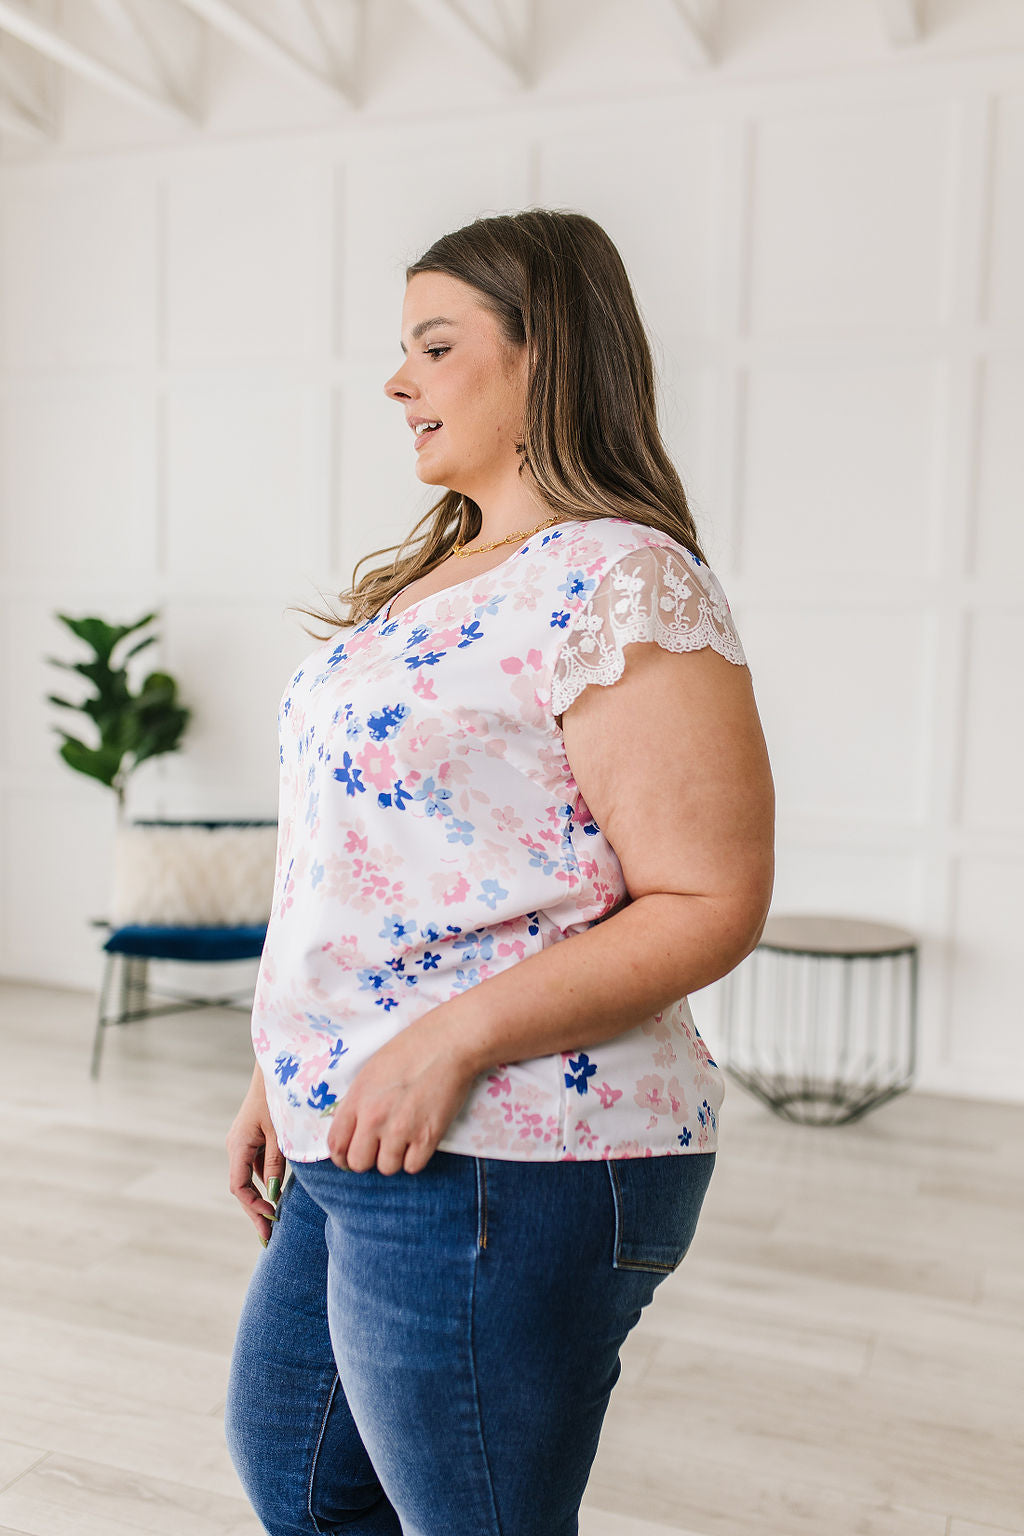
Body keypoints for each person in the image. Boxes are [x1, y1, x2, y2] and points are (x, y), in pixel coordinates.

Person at [224, 207, 775, 1536]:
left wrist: (442, 1045)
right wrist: (276, 1063)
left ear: (544, 357)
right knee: (299, 1480)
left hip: (514, 1140)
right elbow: (364, 862)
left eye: (435, 345)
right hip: (361, 1121)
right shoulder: (435, 582)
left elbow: (711, 896)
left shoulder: (621, 578)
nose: (399, 381)